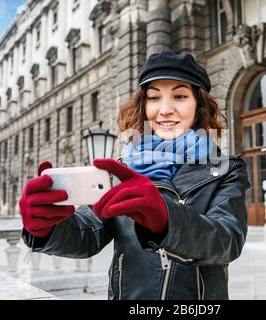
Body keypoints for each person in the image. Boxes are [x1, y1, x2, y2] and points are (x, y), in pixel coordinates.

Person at [19, 51, 250, 300]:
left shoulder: (225, 169)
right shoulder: (123, 170)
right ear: (143, 105)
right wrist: (47, 228)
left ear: (199, 105)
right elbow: (88, 235)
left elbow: (226, 240)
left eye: (180, 96)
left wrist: (165, 218)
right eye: (153, 98)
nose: (165, 110)